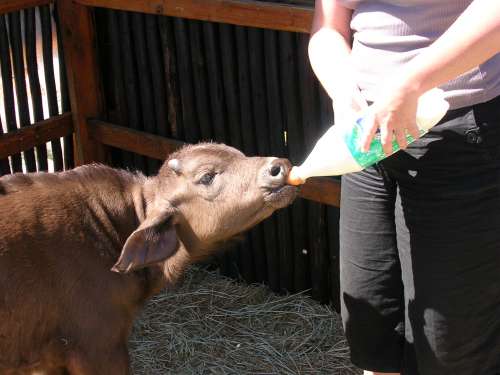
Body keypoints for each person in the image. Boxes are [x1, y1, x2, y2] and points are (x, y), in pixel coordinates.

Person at [308, 1, 500, 374]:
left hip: (459, 137)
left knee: (452, 346)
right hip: (368, 140)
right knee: (371, 325)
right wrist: (344, 92)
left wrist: (412, 81)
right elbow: (328, 25)